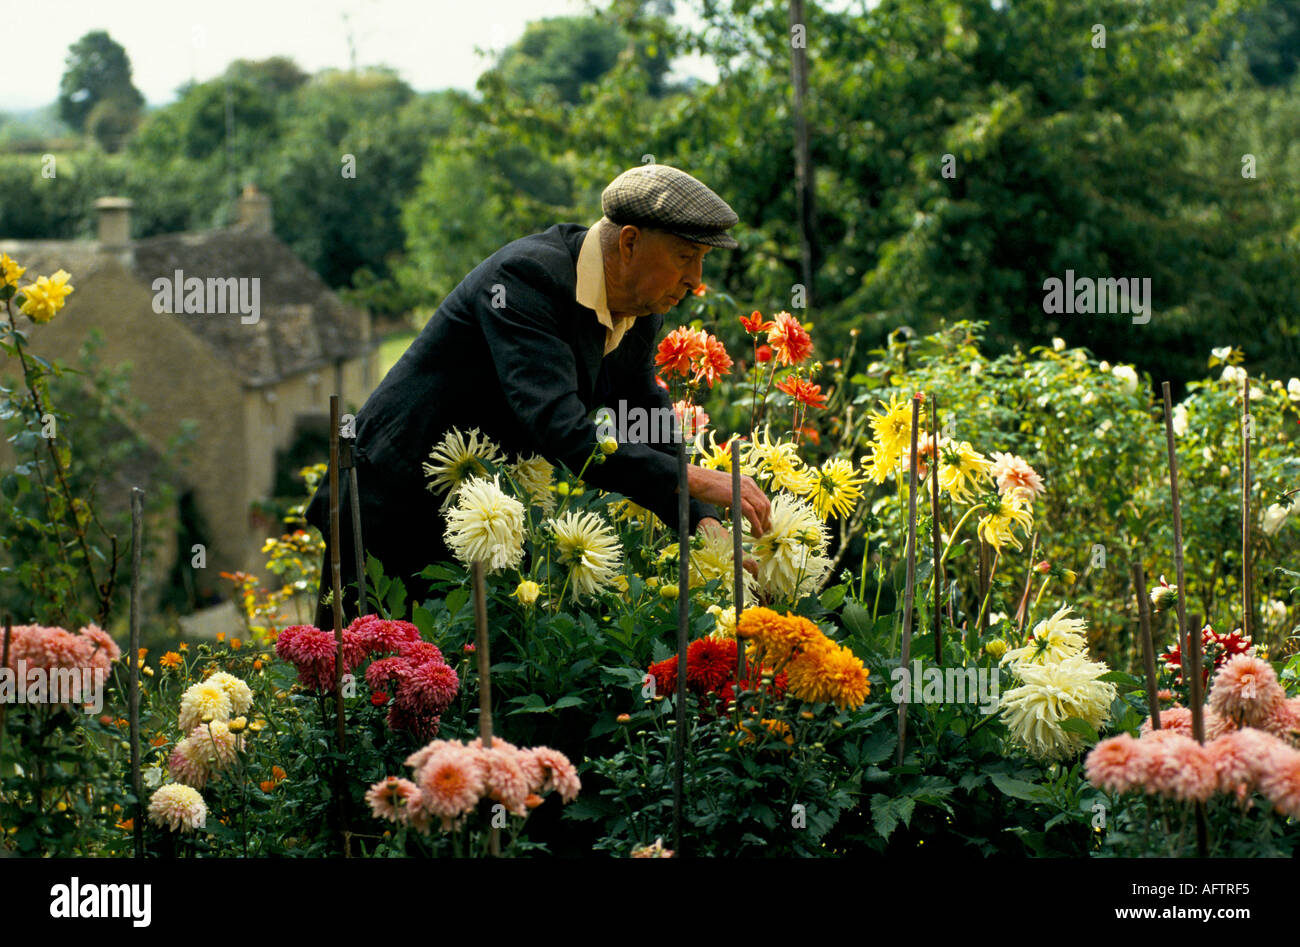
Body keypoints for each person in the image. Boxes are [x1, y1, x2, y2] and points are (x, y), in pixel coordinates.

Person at [305, 164, 772, 626]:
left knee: (466, 678)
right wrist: (695, 476)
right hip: (389, 501)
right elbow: (561, 428)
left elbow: (641, 414)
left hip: (472, 510)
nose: (696, 279)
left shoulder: (640, 309)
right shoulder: (524, 279)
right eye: (686, 256)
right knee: (360, 679)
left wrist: (701, 520)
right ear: (629, 242)